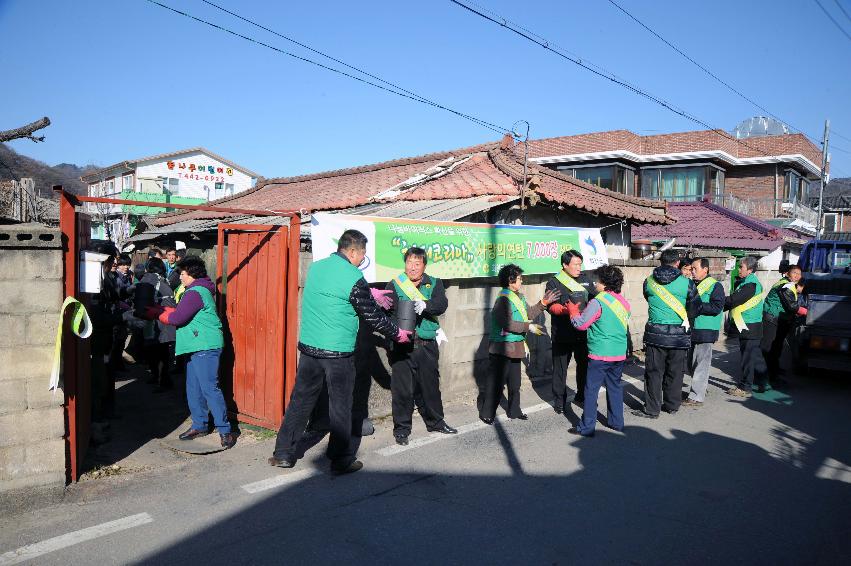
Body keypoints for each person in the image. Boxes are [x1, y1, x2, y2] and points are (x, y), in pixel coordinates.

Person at [269, 230, 411, 474]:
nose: (362, 259)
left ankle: (283, 452)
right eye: (362, 254)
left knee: (300, 402)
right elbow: (372, 317)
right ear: (353, 251)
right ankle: (341, 458)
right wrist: (397, 333)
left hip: (310, 350)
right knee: (340, 407)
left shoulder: (317, 268)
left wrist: (368, 294)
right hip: (337, 354)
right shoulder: (353, 277)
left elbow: (335, 297)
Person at [150, 256, 235, 448]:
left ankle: (225, 430)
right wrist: (162, 309)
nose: (180, 276)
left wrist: (157, 313)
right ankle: (199, 425)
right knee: (194, 388)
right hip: (196, 345)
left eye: (182, 273)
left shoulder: (195, 292)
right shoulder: (195, 291)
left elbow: (178, 318)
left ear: (192, 273)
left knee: (209, 388)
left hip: (205, 346)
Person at [384, 247, 457, 446]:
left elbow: (441, 304)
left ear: (424, 266)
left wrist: (426, 305)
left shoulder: (434, 283)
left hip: (426, 344)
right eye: (409, 263)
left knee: (430, 386)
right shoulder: (395, 283)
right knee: (402, 390)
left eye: (417, 264)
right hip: (402, 346)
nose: (413, 267)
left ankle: (436, 422)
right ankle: (401, 429)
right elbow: (387, 311)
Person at [478, 264, 559, 424]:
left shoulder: (520, 297)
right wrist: (528, 326)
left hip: (516, 346)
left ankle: (514, 410)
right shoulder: (502, 300)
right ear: (510, 280)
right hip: (501, 347)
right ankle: (487, 413)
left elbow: (528, 313)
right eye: (519, 278)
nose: (522, 280)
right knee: (496, 383)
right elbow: (506, 323)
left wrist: (542, 303)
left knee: (515, 383)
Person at [633, 249, 700, 419]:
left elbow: (648, 298)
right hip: (679, 336)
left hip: (655, 335)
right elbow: (694, 308)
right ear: (677, 263)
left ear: (660, 262)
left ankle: (652, 409)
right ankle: (672, 405)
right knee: (675, 372)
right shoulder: (687, 283)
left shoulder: (648, 282)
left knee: (653, 373)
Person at [565, 265, 631, 437]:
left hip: (600, 354)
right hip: (618, 353)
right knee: (615, 387)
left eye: (598, 279)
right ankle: (617, 423)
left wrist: (573, 311)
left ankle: (587, 427)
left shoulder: (597, 301)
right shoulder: (623, 301)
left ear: (604, 283)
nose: (595, 282)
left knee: (591, 390)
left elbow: (581, 324)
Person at [545, 249, 592, 413]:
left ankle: (582, 395)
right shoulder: (554, 282)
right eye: (575, 264)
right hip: (562, 333)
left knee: (584, 366)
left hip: (582, 332)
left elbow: (595, 301)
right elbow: (550, 306)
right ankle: (559, 400)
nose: (579, 267)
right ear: (565, 265)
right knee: (560, 369)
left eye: (580, 264)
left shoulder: (586, 279)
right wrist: (566, 310)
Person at [682, 258, 726, 407]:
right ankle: (700, 388)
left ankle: (696, 396)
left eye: (694, 269)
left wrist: (698, 306)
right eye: (691, 269)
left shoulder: (715, 286)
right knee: (690, 363)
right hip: (691, 329)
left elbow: (717, 307)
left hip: (706, 329)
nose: (692, 272)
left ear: (705, 269)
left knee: (701, 364)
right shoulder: (692, 284)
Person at [757, 264, 807, 391]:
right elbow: (791, 306)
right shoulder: (786, 286)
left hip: (776, 319)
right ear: (787, 274)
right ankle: (763, 380)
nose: (797, 275)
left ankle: (772, 376)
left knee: (775, 349)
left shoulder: (787, 284)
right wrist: (807, 312)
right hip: (771, 319)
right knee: (768, 350)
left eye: (799, 274)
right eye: (794, 273)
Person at [723, 256, 766, 398]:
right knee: (753, 357)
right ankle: (760, 383)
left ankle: (745, 387)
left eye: (741, 267)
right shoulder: (747, 282)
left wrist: (716, 304)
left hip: (749, 326)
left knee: (748, 359)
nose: (738, 269)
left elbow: (734, 300)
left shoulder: (750, 285)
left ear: (750, 269)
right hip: (750, 326)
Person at [138, 258, 176, 391]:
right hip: (166, 317)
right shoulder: (163, 279)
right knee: (162, 352)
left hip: (156, 318)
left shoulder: (148, 278)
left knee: (156, 351)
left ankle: (161, 380)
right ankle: (161, 378)